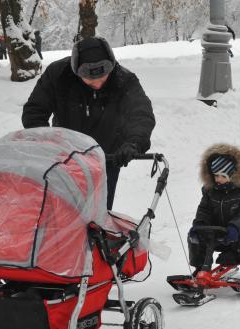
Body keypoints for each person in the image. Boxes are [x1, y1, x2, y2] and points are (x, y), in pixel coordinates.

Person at [22, 36, 155, 210]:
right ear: (77, 72)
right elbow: (34, 111)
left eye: (103, 78)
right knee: (62, 212)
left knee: (98, 213)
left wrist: (133, 143)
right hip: (64, 159)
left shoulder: (125, 81)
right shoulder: (58, 75)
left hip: (106, 159)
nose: (98, 84)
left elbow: (141, 115)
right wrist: (47, 142)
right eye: (91, 81)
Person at [188, 143, 240, 287]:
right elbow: (204, 211)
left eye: (222, 176)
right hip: (219, 234)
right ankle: (201, 269)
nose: (218, 179)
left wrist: (235, 227)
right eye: (215, 175)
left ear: (233, 174)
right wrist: (198, 226)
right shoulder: (210, 191)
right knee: (196, 235)